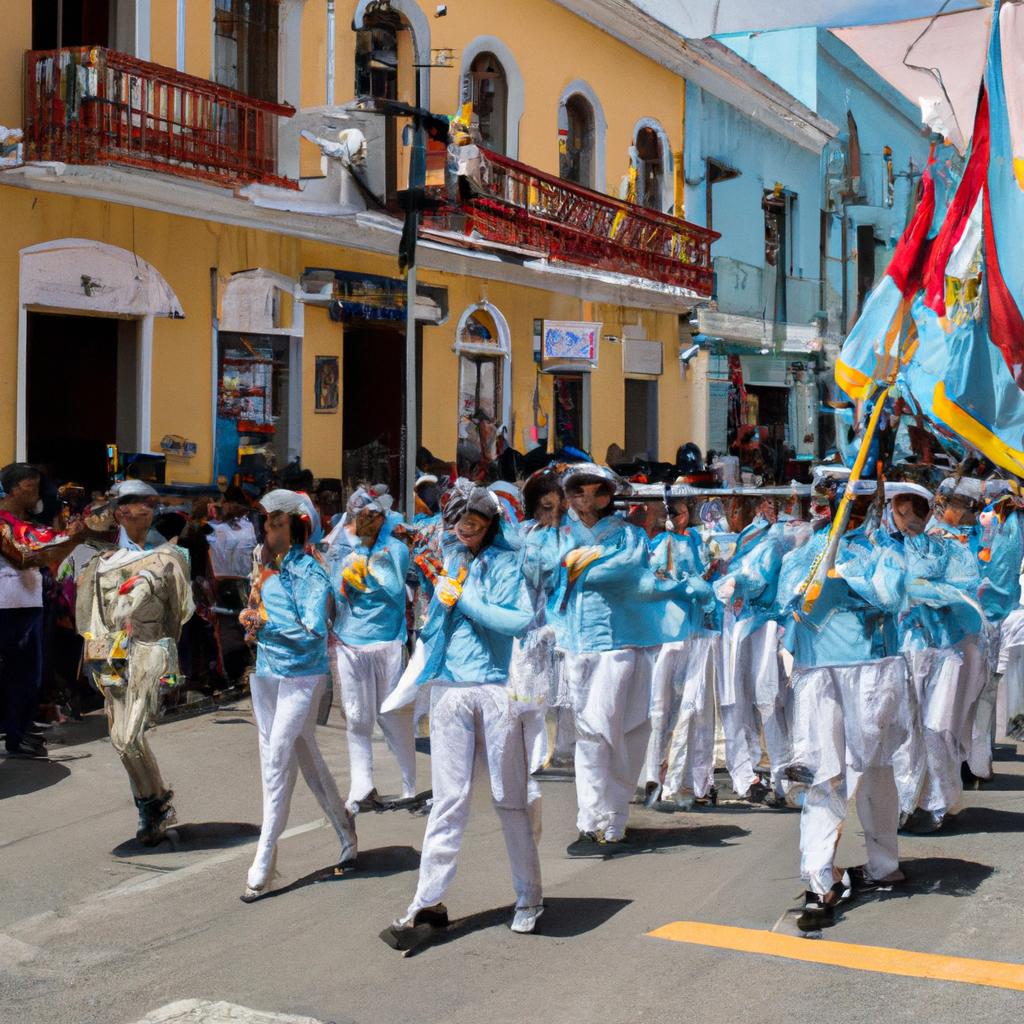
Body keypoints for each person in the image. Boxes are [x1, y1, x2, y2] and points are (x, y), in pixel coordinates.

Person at [384, 479, 541, 945]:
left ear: (491, 524)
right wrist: (434, 592)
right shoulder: (451, 558)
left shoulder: (509, 564)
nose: (466, 530)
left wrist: (463, 597)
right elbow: (438, 621)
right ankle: (425, 902)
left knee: (507, 798)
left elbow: (518, 620)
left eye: (475, 523)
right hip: (450, 690)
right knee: (448, 801)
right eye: (459, 522)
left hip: (494, 690)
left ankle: (529, 896)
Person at [777, 472, 915, 930]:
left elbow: (892, 596)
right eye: (833, 501)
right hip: (818, 672)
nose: (837, 509)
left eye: (850, 501)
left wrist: (845, 574)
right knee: (824, 773)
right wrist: (820, 567)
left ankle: (882, 864)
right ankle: (821, 880)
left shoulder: (885, 548)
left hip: (872, 670)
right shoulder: (806, 549)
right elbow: (787, 601)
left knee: (875, 771)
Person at [551, 464, 682, 854]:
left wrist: (582, 565)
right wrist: (575, 564)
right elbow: (549, 568)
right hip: (578, 645)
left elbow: (624, 573)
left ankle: (616, 812)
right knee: (592, 732)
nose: (588, 499)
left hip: (625, 645)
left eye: (597, 491)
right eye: (579, 492)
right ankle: (590, 818)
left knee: (630, 729)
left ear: (610, 495)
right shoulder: (559, 534)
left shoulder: (630, 536)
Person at [239, 489, 357, 902]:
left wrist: (265, 625)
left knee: (277, 758)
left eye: (277, 524)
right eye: (267, 524)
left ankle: (264, 858)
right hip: (268, 672)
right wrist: (251, 619)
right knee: (304, 754)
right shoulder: (260, 562)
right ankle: (345, 828)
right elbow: (257, 607)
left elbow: (313, 629)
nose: (269, 532)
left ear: (297, 527)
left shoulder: (311, 570)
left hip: (304, 677)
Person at [75, 480, 194, 843]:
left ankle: (152, 805)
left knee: (130, 736)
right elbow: (90, 618)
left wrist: (168, 658)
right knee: (120, 738)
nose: (140, 509)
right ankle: (152, 804)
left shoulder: (172, 557)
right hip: (114, 653)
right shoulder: (102, 563)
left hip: (149, 650)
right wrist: (99, 661)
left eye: (145, 503)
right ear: (119, 513)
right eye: (129, 504)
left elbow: (178, 615)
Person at [326, 485, 416, 811]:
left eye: (372, 516)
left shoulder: (395, 549)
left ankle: (409, 786)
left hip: (387, 643)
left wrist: (367, 557)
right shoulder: (340, 550)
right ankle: (362, 787)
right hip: (351, 644)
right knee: (357, 718)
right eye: (360, 516)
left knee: (391, 717)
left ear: (382, 518)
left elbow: (393, 589)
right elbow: (335, 592)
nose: (366, 521)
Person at [1, 463, 86, 757]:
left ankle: (19, 729)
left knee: (27, 675)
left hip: (27, 604)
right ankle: (16, 731)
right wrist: (70, 538)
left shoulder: (23, 521)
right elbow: (24, 554)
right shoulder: (3, 521)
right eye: (30, 487)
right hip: (7, 607)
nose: (35, 493)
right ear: (14, 489)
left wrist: (69, 536)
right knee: (21, 673)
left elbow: (42, 543)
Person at [712, 495, 788, 803]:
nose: (732, 513)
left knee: (766, 696)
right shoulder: (733, 538)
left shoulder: (772, 539)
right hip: (733, 622)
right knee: (734, 699)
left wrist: (733, 581)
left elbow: (759, 577)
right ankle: (745, 774)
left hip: (762, 622)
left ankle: (780, 773)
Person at [647, 493, 718, 809]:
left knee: (694, 707)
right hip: (669, 631)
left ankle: (690, 779)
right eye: (671, 513)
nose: (677, 518)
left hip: (696, 630)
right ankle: (656, 777)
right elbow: (656, 579)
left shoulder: (699, 540)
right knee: (660, 709)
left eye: (680, 512)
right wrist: (683, 585)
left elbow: (707, 576)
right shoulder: (662, 543)